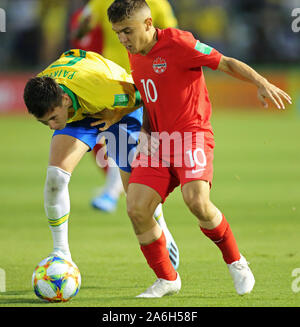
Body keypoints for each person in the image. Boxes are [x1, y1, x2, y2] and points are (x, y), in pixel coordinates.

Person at [107, 0, 292, 297]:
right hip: (157, 141)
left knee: (197, 202)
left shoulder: (180, 43)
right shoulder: (134, 55)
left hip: (191, 135)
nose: (122, 39)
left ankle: (236, 261)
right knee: (136, 209)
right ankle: (167, 279)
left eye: (127, 31)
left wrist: (260, 82)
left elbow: (226, 61)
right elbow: (151, 98)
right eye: (117, 33)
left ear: (148, 24)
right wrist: (144, 132)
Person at [23, 49, 179, 269]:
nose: (51, 127)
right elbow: (57, 112)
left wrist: (114, 115)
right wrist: (60, 118)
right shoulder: (45, 92)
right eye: (44, 123)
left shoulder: (102, 89)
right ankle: (61, 253)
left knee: (136, 194)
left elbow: (145, 94)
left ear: (65, 100)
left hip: (120, 106)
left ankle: (159, 221)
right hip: (79, 112)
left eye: (53, 119)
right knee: (56, 177)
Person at [71, 0, 178, 212]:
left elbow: (171, 36)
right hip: (115, 77)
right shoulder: (105, 2)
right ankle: (116, 189)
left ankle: (121, 189)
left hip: (145, 73)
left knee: (133, 133)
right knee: (116, 132)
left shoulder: (154, 3)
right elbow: (82, 28)